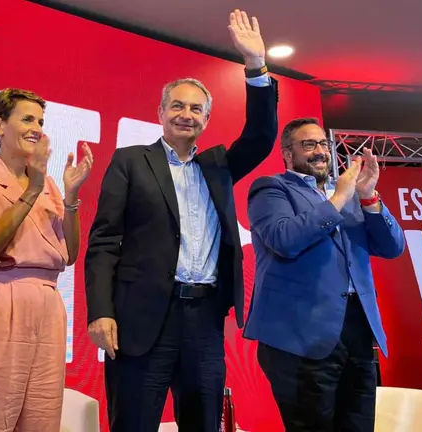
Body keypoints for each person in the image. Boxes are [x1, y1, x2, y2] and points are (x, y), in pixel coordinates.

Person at [84, 9, 278, 432]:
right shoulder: (131, 161)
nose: (186, 114)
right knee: (132, 423)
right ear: (160, 112)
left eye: (196, 108)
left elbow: (262, 136)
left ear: (206, 119)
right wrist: (100, 311)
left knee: (204, 424)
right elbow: (103, 242)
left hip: (204, 320)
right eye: (177, 105)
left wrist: (255, 65)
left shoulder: (219, 166)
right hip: (140, 321)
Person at [0, 88, 94, 432]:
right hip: (0, 301)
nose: (37, 128)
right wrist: (30, 191)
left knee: (40, 415)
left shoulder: (49, 185)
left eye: (40, 121)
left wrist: (71, 198)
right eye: (27, 119)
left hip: (48, 307)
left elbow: (68, 255)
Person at [243, 117, 405, 431]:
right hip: (300, 337)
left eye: (322, 144)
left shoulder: (351, 194)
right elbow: (284, 239)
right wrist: (340, 198)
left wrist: (368, 196)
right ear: (288, 154)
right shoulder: (271, 189)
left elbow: (393, 247)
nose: (320, 152)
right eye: (309, 145)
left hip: (356, 333)